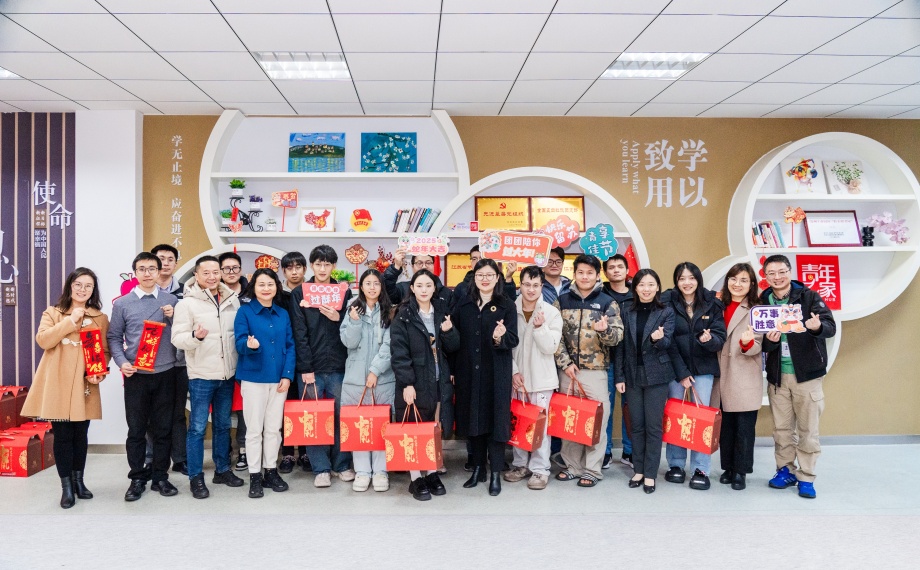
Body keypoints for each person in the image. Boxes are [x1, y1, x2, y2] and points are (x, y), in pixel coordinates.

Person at [21, 268, 110, 509]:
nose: (82, 289)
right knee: (62, 436)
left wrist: (99, 372)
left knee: (81, 435)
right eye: (78, 284)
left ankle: (79, 482)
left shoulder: (100, 317)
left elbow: (104, 350)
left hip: (84, 384)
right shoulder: (53, 313)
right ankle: (66, 487)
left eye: (88, 286)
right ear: (70, 286)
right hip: (57, 382)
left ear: (93, 290)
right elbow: (43, 340)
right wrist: (70, 321)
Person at [760, 254, 835, 499]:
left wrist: (817, 327)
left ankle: (807, 476)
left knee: (808, 430)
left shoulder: (808, 297)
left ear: (790, 272)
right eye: (771, 273)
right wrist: (770, 342)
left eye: (782, 272)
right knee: (781, 429)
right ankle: (785, 470)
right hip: (778, 376)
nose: (777, 277)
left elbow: (829, 326)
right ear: (765, 276)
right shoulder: (763, 301)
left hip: (807, 375)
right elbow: (761, 342)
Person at [107, 252, 179, 501]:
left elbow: (182, 333)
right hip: (136, 375)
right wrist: (122, 362)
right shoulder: (122, 304)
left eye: (152, 269)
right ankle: (137, 478)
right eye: (142, 269)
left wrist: (173, 317)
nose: (147, 273)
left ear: (159, 272)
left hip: (166, 372)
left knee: (163, 429)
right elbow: (114, 337)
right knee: (136, 430)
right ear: (135, 273)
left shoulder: (171, 300)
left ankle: (160, 477)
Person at [170, 255, 244, 499]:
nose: (212, 277)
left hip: (227, 374)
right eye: (206, 273)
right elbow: (177, 339)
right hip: (201, 375)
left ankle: (222, 470)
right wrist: (196, 336)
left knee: (223, 425)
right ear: (196, 275)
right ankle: (196, 477)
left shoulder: (232, 299)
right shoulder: (186, 304)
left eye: (216, 272)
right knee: (198, 428)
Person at [553, 254, 623, 488]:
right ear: (574, 274)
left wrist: (604, 331)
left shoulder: (607, 302)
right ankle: (572, 466)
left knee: (596, 421)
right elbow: (555, 335)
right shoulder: (562, 301)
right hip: (568, 372)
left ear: (597, 275)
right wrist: (565, 363)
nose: (585, 277)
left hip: (596, 371)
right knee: (570, 419)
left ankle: (592, 469)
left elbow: (617, 337)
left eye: (590, 273)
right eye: (581, 272)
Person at [390, 269, 459, 501]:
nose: (424, 290)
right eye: (419, 285)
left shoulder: (442, 312)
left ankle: (430, 472)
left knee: (430, 428)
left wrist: (449, 332)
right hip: (415, 382)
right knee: (413, 428)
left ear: (434, 288)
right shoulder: (403, 315)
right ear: (412, 288)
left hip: (438, 381)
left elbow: (454, 347)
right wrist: (407, 383)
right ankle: (415, 477)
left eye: (428, 285)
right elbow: (399, 353)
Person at [451, 259, 519, 496]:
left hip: (496, 372)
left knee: (496, 421)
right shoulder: (464, 304)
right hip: (469, 372)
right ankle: (478, 468)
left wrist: (500, 337)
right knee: (474, 420)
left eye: (490, 275)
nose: (485, 279)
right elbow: (455, 340)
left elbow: (513, 339)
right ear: (474, 277)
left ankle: (496, 472)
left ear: (497, 278)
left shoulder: (506, 305)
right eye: (480, 275)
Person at [289, 245, 354, 487]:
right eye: (318, 264)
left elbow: (352, 328)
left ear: (334, 266)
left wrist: (339, 318)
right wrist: (306, 368)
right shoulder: (300, 293)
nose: (323, 268)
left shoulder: (343, 292)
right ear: (312, 266)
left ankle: (341, 465)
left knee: (340, 417)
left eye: (327, 264)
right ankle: (321, 468)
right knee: (314, 418)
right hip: (311, 368)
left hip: (339, 365)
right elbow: (299, 333)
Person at [661, 262, 726, 491]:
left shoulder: (711, 303)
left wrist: (710, 340)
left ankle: (701, 468)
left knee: (701, 419)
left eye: (691, 278)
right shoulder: (667, 302)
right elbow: (667, 341)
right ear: (676, 282)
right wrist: (682, 373)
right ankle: (676, 465)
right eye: (682, 279)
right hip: (676, 371)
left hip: (704, 369)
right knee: (677, 417)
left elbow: (720, 336)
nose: (687, 283)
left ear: (698, 280)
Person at [614, 268, 679, 494]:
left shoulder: (666, 311)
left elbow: (667, 343)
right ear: (635, 288)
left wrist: (657, 340)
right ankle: (638, 470)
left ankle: (650, 473)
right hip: (632, 376)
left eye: (651, 285)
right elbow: (621, 347)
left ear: (657, 287)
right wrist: (619, 376)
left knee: (653, 426)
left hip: (657, 376)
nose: (646, 289)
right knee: (636, 425)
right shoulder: (626, 310)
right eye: (642, 285)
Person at [234, 269, 296, 498]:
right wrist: (248, 345)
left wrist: (287, 375)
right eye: (261, 284)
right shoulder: (244, 311)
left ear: (276, 287)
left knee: (273, 429)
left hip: (279, 380)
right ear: (254, 287)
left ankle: (270, 471)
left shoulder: (282, 314)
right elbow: (239, 342)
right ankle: (254, 475)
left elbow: (290, 345)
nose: (266, 288)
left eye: (270, 284)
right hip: (254, 379)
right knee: (254, 430)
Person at [504, 266, 562, 491]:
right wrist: (513, 372)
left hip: (542, 380)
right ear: (520, 285)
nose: (531, 289)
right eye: (527, 284)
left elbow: (551, 347)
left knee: (541, 427)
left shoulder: (551, 312)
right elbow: (505, 347)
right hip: (516, 379)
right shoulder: (510, 308)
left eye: (535, 285)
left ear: (541, 286)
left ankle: (540, 469)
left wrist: (540, 327)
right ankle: (520, 465)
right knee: (518, 423)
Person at [339, 269, 395, 492]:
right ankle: (362, 472)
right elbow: (348, 343)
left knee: (381, 425)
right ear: (361, 286)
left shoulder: (389, 312)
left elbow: (390, 346)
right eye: (368, 283)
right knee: (359, 425)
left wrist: (375, 370)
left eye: (376, 283)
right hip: (355, 379)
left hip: (382, 379)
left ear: (382, 287)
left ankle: (381, 471)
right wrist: (354, 322)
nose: (372, 287)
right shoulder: (352, 310)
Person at [714, 263, 764, 491]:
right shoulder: (717, 305)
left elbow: (760, 343)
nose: (737, 284)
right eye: (733, 279)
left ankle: (741, 471)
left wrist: (747, 343)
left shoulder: (757, 309)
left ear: (752, 284)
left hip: (744, 373)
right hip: (720, 373)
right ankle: (728, 467)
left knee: (744, 426)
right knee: (726, 426)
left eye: (744, 280)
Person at [151, 244, 189, 477]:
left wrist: (176, 316)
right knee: (152, 413)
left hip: (178, 361)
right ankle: (153, 459)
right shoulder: (142, 291)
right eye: (161, 259)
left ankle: (180, 459)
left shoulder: (186, 291)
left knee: (177, 412)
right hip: (150, 362)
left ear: (176, 263)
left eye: (170, 259)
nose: (165, 263)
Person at [601, 254, 633, 470]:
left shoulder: (636, 294)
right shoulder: (600, 295)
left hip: (631, 361)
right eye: (611, 267)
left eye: (620, 266)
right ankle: (605, 451)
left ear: (627, 270)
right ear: (605, 272)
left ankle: (629, 451)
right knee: (606, 408)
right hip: (606, 359)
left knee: (630, 408)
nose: (616, 270)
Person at [278, 251, 309, 474]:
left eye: (298, 267)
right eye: (290, 268)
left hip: (307, 358)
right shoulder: (277, 294)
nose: (294, 272)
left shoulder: (312, 291)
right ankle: (288, 453)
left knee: (305, 406)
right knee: (286, 407)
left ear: (305, 269)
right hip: (283, 358)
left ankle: (306, 452)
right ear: (284, 271)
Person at [219, 251, 250, 472]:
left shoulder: (252, 293)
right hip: (220, 361)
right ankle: (223, 451)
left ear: (240, 269)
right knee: (221, 409)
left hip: (247, 360)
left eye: (235, 268)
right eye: (226, 268)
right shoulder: (213, 293)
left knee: (245, 411)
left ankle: (244, 450)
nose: (231, 272)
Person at [384, 248, 453, 307]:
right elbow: (387, 293)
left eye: (428, 263)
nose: (424, 266)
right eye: (419, 263)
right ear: (412, 266)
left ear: (433, 265)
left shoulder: (446, 293)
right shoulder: (403, 289)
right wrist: (396, 266)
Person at [453, 245, 517, 304]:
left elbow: (510, 303)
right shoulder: (461, 288)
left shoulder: (500, 283)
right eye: (474, 259)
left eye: (481, 258)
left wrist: (508, 277)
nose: (478, 261)